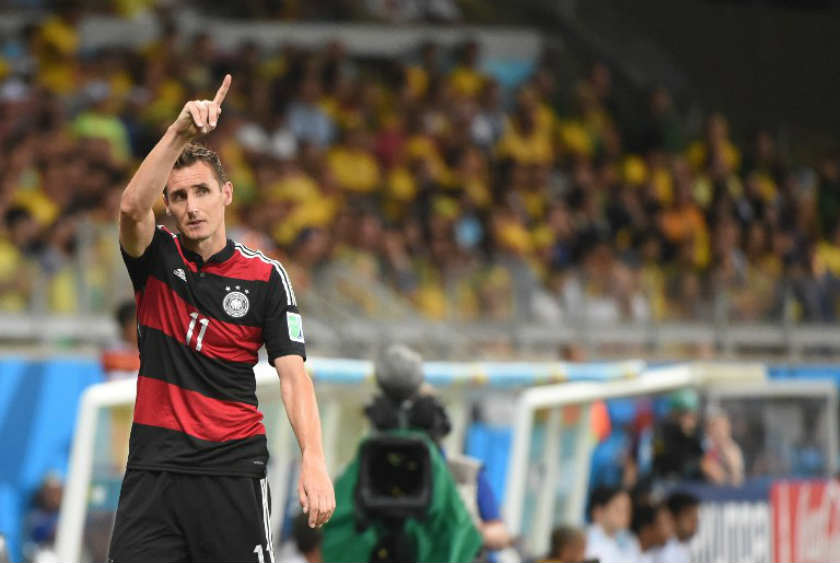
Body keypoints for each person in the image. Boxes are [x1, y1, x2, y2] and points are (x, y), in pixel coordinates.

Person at [108, 75, 335, 563]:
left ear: (226, 194)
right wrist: (179, 133)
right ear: (167, 206)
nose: (192, 207)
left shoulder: (266, 277)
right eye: (179, 197)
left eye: (202, 192)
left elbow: (294, 379)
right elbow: (130, 206)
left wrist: (313, 461)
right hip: (156, 470)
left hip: (231, 470)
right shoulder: (155, 258)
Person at [584, 486, 639, 563]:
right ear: (599, 511)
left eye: (628, 510)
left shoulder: (629, 541)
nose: (625, 515)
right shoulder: (585, 540)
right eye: (618, 509)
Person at [659, 492, 700, 563]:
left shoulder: (683, 548)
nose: (695, 521)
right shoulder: (662, 549)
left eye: (695, 517)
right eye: (689, 516)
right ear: (674, 518)